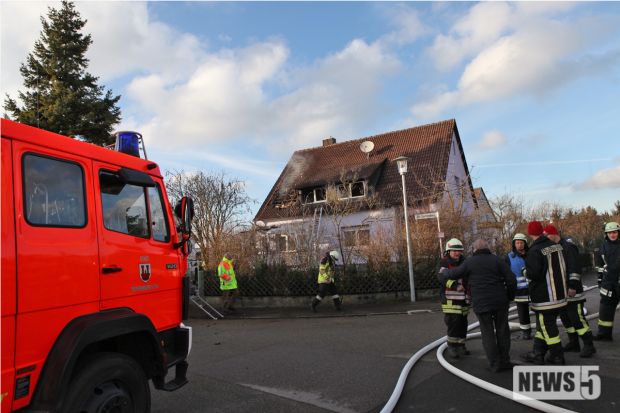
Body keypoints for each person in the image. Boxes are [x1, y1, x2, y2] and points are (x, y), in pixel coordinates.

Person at [441, 239, 516, 372]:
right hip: (500, 301)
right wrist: (509, 296)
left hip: (481, 303)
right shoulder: (497, 260)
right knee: (503, 331)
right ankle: (505, 360)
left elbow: (454, 273)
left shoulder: (470, 262)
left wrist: (444, 273)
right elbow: (511, 279)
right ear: (488, 248)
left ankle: (494, 364)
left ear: (474, 250)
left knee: (487, 333)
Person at [543, 225, 596, 357]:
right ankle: (574, 343)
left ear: (554, 234)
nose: (546, 239)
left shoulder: (568, 247)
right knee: (566, 318)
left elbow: (574, 268)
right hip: (561, 292)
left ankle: (589, 345)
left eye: (547, 236)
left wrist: (572, 285)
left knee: (577, 318)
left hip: (573, 291)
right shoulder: (554, 248)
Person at [521, 221, 568, 365]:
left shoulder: (535, 251)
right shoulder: (556, 246)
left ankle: (557, 355)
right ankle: (538, 353)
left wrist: (525, 271)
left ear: (530, 233)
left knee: (548, 327)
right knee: (543, 326)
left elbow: (535, 274)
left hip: (545, 298)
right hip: (559, 295)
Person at [437, 238, 470, 358]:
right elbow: (441, 278)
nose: (457, 253)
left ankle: (461, 345)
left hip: (464, 298)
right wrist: (456, 285)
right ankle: (452, 346)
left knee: (463, 322)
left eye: (459, 251)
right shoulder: (444, 263)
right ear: (448, 251)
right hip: (450, 298)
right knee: (453, 322)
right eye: (454, 251)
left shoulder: (465, 261)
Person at [594, 221, 620, 341]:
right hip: (608, 283)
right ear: (606, 234)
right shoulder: (603, 247)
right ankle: (604, 334)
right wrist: (600, 279)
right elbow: (599, 265)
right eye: (609, 233)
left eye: (614, 232)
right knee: (605, 307)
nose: (612, 235)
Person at [505, 233, 532, 340]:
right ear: (514, 244)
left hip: (533, 289)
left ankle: (541, 331)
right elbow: (506, 274)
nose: (519, 245)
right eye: (517, 243)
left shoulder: (531, 254)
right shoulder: (509, 257)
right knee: (523, 312)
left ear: (525, 243)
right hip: (519, 290)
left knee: (539, 311)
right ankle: (526, 332)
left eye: (521, 243)